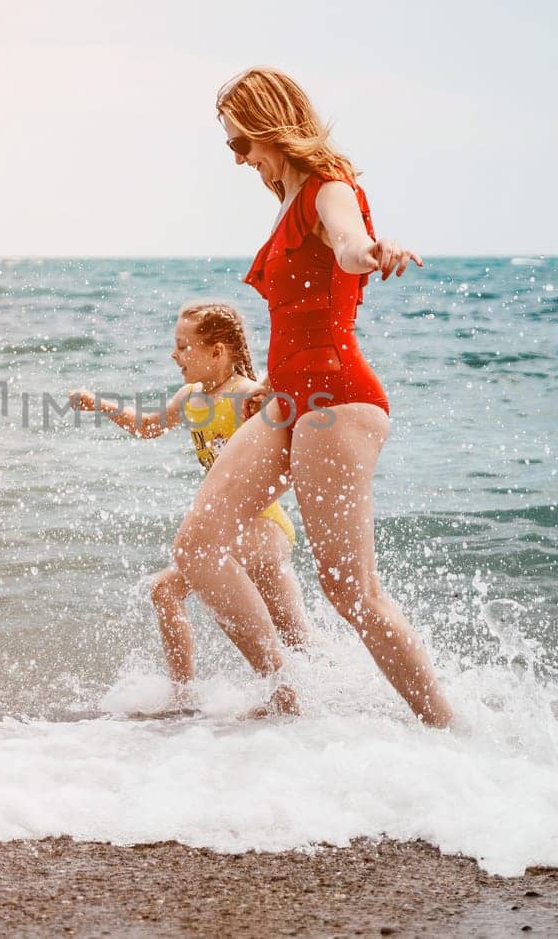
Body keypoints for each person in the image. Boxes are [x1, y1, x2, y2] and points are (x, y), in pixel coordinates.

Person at [170, 67, 454, 725]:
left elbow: (351, 245)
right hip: (289, 399)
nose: (241, 161)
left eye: (243, 145)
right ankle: (289, 694)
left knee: (351, 591)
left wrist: (373, 249)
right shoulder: (286, 203)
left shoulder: (329, 190)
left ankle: (449, 730)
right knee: (199, 544)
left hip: (336, 399)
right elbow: (299, 317)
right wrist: (269, 383)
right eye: (232, 149)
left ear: (272, 127)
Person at [69, 300, 308, 699]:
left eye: (184, 346)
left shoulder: (248, 396)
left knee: (170, 586)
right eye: (175, 345)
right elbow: (147, 427)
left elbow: (289, 408)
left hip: (263, 525)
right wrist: (101, 404)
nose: (174, 354)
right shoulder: (192, 398)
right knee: (300, 641)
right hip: (236, 531)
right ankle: (329, 704)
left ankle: (212, 696)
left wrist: (270, 384)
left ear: (217, 351)